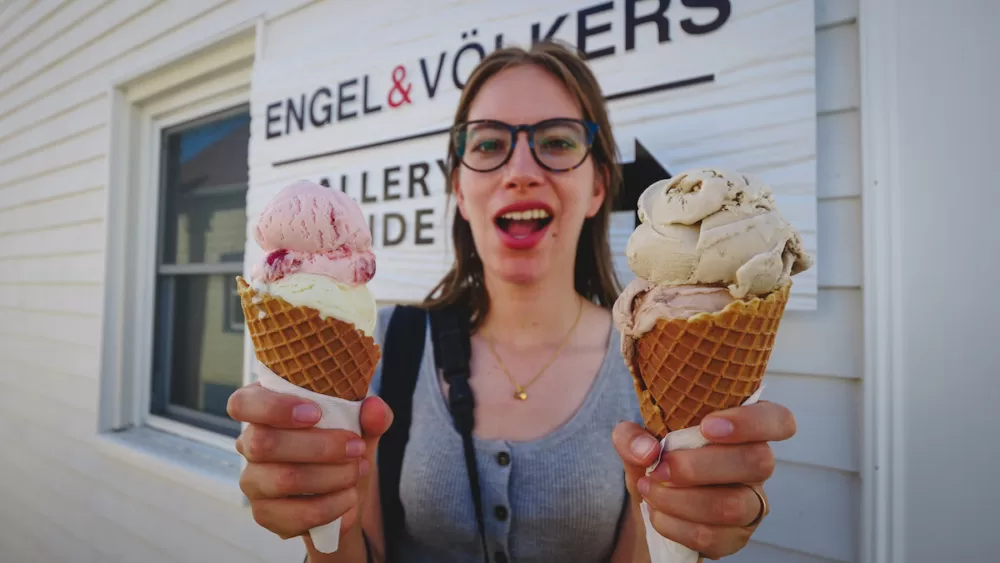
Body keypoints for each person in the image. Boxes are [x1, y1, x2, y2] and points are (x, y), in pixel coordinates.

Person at [227, 40, 797, 563]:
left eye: (556, 142)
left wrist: (681, 527)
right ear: (459, 188)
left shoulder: (644, 364)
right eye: (489, 145)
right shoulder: (386, 346)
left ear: (598, 185)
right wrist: (326, 526)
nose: (521, 171)